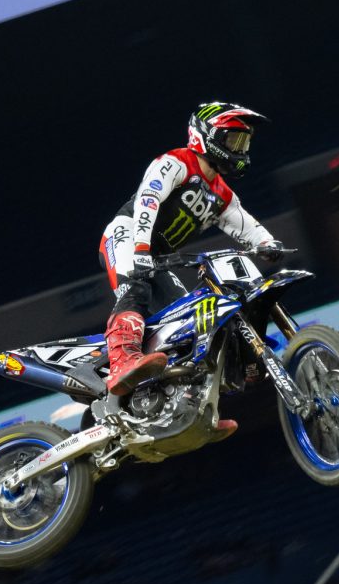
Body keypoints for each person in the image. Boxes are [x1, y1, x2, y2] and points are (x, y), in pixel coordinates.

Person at [97, 102, 285, 421]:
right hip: (126, 234)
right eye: (233, 140)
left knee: (184, 320)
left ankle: (173, 402)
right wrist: (140, 248)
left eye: (244, 142)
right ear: (206, 136)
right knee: (136, 288)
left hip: (158, 256)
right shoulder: (175, 163)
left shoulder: (221, 193)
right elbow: (148, 200)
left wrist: (267, 243)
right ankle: (121, 361)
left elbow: (245, 224)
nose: (240, 149)